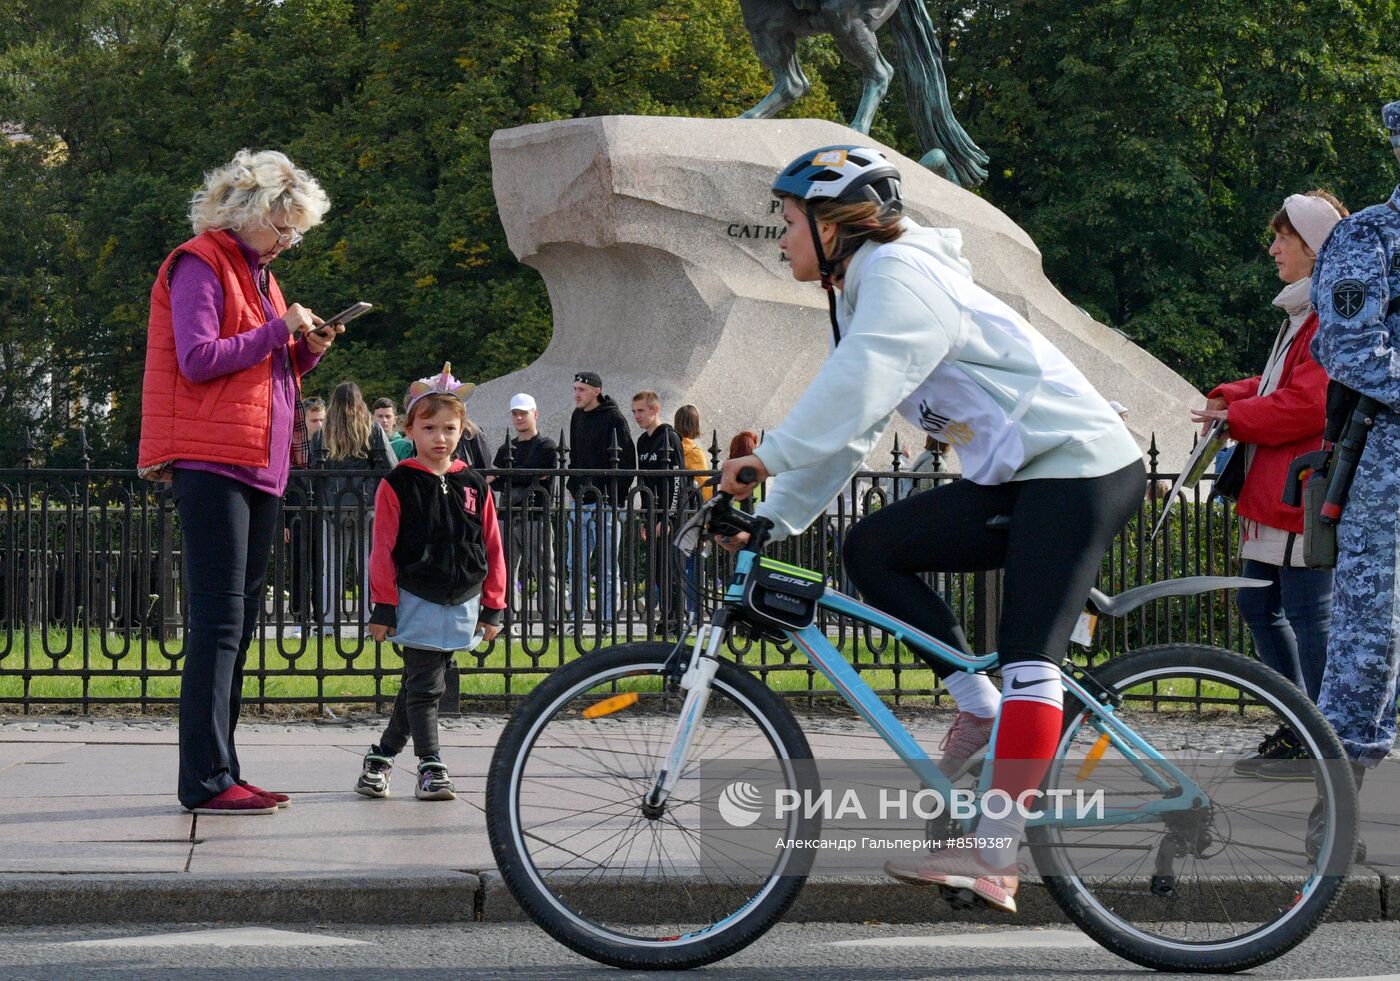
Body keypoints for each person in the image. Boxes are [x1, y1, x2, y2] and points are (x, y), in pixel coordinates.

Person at [718, 145, 1145, 913]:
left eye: (787, 222)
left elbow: (857, 383)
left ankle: (992, 854)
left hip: (1078, 467)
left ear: (834, 225)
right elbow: (857, 426)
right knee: (872, 548)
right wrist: (775, 517)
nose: (779, 238)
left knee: (1030, 658)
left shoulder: (901, 273)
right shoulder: (862, 290)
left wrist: (768, 458)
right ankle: (979, 710)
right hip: (1022, 472)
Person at [137, 148, 336, 815]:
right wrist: (278, 330)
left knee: (240, 623)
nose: (290, 241)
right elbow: (198, 360)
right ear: (252, 212)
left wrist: (304, 348)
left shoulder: (259, 276)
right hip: (213, 463)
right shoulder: (200, 262)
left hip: (259, 464)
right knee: (218, 623)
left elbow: (264, 372)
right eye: (284, 227)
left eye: (296, 231)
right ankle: (205, 778)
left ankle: (226, 769)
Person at [1192, 191, 1344, 779]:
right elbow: (1279, 382)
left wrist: (1234, 416)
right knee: (1261, 603)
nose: (1273, 247)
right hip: (1279, 494)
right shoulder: (1306, 312)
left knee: (1308, 614)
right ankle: (1300, 722)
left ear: (1312, 248)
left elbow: (1309, 404)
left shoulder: (1327, 314)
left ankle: (1317, 733)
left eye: (1284, 238)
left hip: (1297, 494)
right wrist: (1231, 395)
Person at [1303, 101, 1400, 850]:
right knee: (1374, 638)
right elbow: (1348, 344)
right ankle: (1334, 812)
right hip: (1388, 467)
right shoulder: (1369, 235)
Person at [356, 389, 506, 801]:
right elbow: (382, 548)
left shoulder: (473, 482)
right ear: (410, 430)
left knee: (422, 682)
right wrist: (383, 605)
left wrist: (494, 605)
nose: (440, 437)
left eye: (449, 429)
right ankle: (430, 765)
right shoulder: (398, 483)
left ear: (463, 431)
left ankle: (381, 758)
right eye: (429, 428)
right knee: (426, 686)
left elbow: (492, 544)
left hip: (463, 597)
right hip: (415, 594)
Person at [309, 381, 396, 631]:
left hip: (332, 507)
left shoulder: (323, 433)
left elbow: (316, 472)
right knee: (369, 567)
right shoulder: (372, 429)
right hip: (366, 506)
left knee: (332, 568)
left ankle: (327, 623)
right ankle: (372, 620)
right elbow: (390, 466)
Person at [566, 371, 635, 625]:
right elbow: (574, 455)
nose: (576, 394)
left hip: (606, 501)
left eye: (581, 390)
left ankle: (608, 620)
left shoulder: (613, 417)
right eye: (575, 389)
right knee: (576, 564)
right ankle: (577, 617)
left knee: (607, 567)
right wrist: (572, 486)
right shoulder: (577, 416)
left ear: (596, 391)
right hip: (580, 499)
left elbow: (627, 459)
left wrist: (618, 498)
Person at [490, 393, 559, 635]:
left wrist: (508, 474)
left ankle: (551, 621)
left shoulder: (547, 446)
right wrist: (521, 475)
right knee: (505, 573)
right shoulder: (507, 447)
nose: (519, 417)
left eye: (523, 413)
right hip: (508, 515)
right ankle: (508, 622)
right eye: (515, 413)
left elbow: (540, 475)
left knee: (544, 571)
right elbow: (493, 481)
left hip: (536, 515)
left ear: (535, 414)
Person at [633, 390, 686, 632]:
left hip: (670, 515)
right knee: (657, 571)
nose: (637, 416)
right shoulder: (642, 442)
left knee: (671, 569)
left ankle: (674, 621)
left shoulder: (669, 437)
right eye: (634, 412)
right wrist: (646, 518)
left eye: (641, 411)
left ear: (655, 410)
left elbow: (678, 480)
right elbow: (643, 484)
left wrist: (669, 517)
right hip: (652, 514)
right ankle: (665, 617)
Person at [674, 404, 713, 506]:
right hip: (689, 510)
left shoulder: (671, 447)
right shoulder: (694, 453)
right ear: (695, 425)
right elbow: (705, 488)